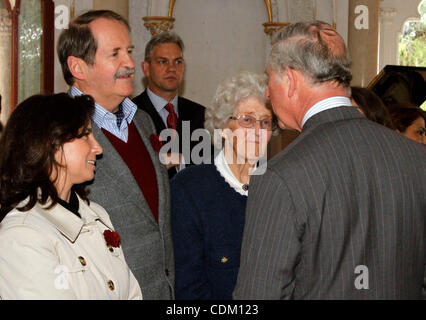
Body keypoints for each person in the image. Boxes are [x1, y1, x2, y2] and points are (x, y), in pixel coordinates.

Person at [233, 21, 426, 299]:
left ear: (290, 80)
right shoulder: (417, 159)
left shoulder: (279, 176)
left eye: (268, 79)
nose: (266, 92)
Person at [57, 10, 174, 299]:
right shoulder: (57, 133)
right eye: (115, 54)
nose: (130, 64)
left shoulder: (144, 121)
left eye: (130, 51)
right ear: (79, 67)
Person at [0, 93, 142, 299]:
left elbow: (132, 293)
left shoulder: (96, 215)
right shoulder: (21, 236)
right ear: (50, 143)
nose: (98, 148)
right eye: (85, 135)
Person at [171, 71, 276, 300]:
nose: (257, 132)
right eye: (247, 120)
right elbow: (188, 287)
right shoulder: (190, 188)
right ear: (223, 128)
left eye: (265, 122)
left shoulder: (278, 186)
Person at [132, 31, 205, 178]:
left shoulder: (201, 114)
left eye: (178, 62)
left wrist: (182, 162)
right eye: (163, 61)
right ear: (146, 68)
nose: (172, 68)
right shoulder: (130, 113)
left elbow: (208, 166)